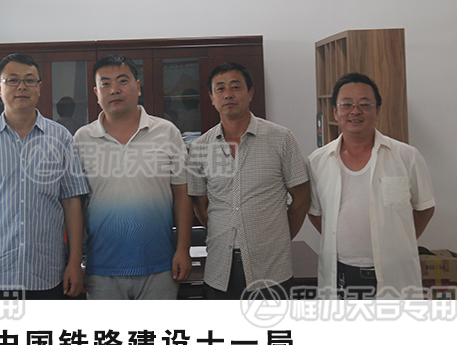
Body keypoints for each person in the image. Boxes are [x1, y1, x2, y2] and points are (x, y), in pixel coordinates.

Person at [0, 53, 89, 299]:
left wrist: (74, 261)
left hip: (48, 272)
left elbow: (72, 203)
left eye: (29, 80)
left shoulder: (61, 138)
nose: (21, 87)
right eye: (13, 80)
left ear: (39, 88)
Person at [187, 62, 311, 300]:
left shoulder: (281, 139)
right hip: (219, 269)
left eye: (236, 87)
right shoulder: (199, 147)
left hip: (271, 268)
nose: (228, 94)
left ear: (250, 93)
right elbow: (200, 206)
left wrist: (278, 237)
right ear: (211, 97)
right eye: (220, 89)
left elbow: (302, 198)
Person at [74, 55, 193, 299]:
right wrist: (74, 260)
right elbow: (76, 204)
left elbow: (182, 194)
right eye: (105, 84)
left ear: (137, 87)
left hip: (160, 266)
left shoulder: (166, 132)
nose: (114, 90)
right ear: (96, 92)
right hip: (102, 268)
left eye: (122, 81)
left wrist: (184, 248)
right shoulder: (82, 139)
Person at [307, 73, 435, 299]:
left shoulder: (406, 156)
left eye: (364, 105)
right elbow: (316, 214)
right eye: (346, 104)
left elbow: (424, 208)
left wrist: (397, 241)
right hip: (340, 273)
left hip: (394, 274)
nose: (355, 111)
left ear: (378, 111)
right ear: (335, 112)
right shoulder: (318, 161)